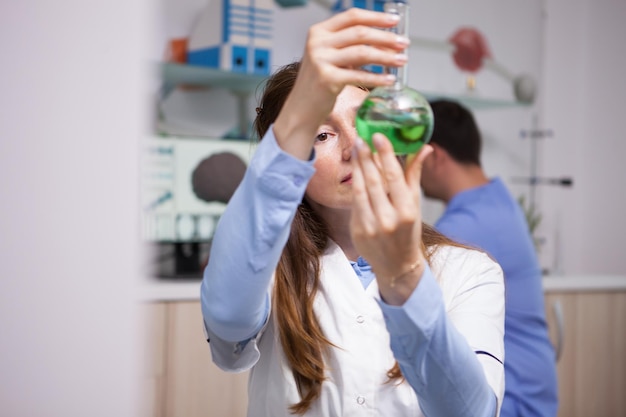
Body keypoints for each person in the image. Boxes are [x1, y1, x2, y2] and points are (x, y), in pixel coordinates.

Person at [201, 8, 505, 417]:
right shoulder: (267, 272)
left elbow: (472, 412)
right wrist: (295, 118)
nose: (353, 148)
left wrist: (406, 283)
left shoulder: (469, 271)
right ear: (293, 164)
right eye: (322, 134)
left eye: (365, 121)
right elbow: (227, 321)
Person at [420, 99, 559, 417]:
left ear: (435, 156)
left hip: (514, 398)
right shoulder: (496, 198)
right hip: (536, 386)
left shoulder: (463, 229)